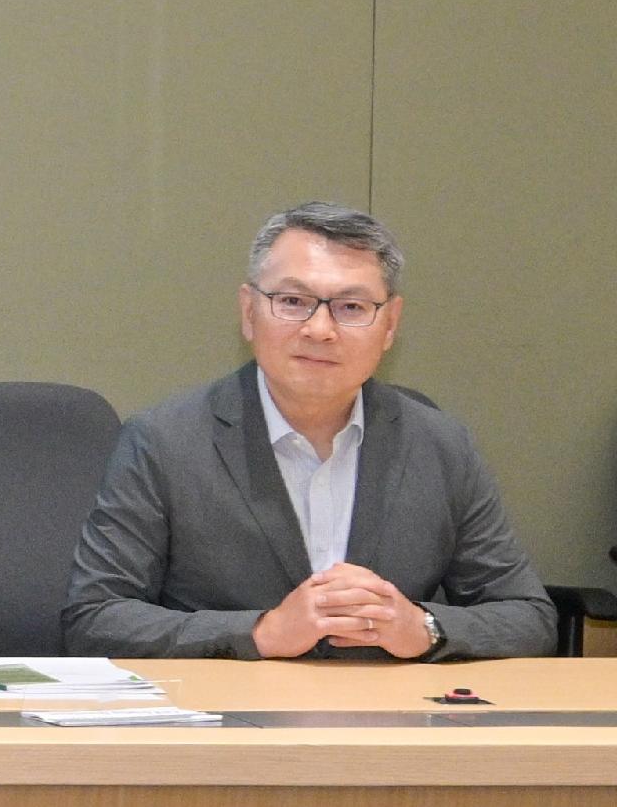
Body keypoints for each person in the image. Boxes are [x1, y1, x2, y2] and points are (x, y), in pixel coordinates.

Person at [61, 203, 552, 660]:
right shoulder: (165, 441)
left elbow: (528, 617)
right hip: (233, 716)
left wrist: (424, 628)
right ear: (249, 312)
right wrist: (260, 632)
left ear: (390, 325)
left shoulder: (440, 445)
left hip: (387, 715)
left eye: (351, 307)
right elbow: (94, 618)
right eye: (293, 301)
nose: (320, 329)